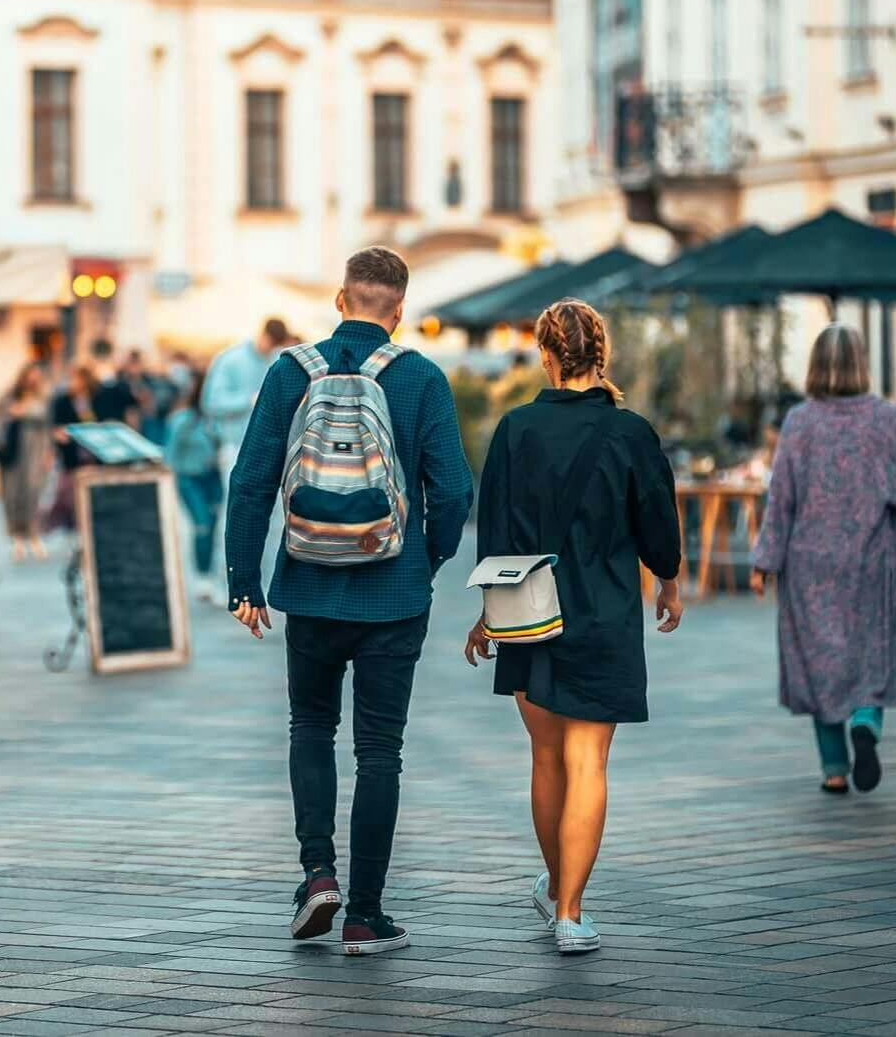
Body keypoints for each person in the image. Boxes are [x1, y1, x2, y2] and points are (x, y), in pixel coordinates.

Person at [227, 248, 472, 957]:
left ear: (340, 299)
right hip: (393, 590)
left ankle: (316, 875)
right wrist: (430, 554)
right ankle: (365, 914)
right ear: (397, 311)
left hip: (306, 582)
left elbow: (250, 481)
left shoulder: (288, 372)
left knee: (309, 724)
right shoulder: (420, 376)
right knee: (379, 750)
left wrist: (244, 578)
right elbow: (452, 488)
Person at [465, 299, 682, 956]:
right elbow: (656, 521)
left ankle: (558, 885)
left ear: (547, 354)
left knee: (545, 757)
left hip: (528, 612)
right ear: (601, 354)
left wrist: (486, 617)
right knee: (587, 760)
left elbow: (494, 529)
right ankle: (570, 909)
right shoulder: (630, 431)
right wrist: (667, 579)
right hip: (603, 611)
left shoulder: (514, 429)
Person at [749, 324, 896, 794]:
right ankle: (866, 720)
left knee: (819, 658)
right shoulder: (885, 419)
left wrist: (765, 562)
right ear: (862, 363)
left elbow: (780, 497)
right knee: (872, 647)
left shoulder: (800, 422)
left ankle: (835, 769)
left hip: (810, 562)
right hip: (871, 556)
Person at [205, 318, 292, 481]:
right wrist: (248, 400)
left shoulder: (277, 359)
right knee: (235, 502)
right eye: (271, 343)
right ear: (264, 335)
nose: (272, 349)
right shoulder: (230, 359)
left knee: (273, 504)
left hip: (270, 448)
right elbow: (212, 402)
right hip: (236, 446)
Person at [165, 368, 223, 590]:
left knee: (215, 525)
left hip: (212, 477)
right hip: (190, 479)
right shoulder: (182, 420)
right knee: (202, 525)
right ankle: (202, 576)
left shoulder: (214, 420)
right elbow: (170, 454)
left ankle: (210, 572)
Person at [0, 365, 53, 560]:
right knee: (12, 496)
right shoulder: (8, 398)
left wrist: (49, 453)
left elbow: (48, 424)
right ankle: (17, 539)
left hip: (35, 454)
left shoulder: (43, 399)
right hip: (12, 455)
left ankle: (34, 536)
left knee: (34, 495)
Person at [88, 339, 139, 427]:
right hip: (99, 427)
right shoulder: (92, 384)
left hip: (118, 427)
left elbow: (130, 410)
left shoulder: (123, 385)